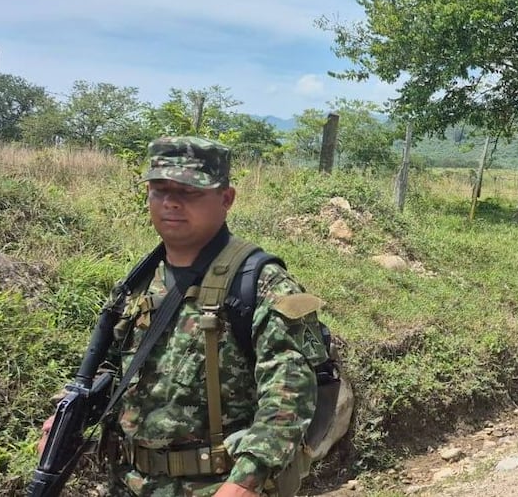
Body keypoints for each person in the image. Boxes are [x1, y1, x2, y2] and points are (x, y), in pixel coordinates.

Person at [38, 137, 329, 497]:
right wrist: (69, 417)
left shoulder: (261, 283)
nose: (171, 202)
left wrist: (246, 481)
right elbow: (113, 366)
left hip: (215, 485)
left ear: (226, 199)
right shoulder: (140, 281)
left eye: (189, 191)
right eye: (159, 190)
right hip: (128, 482)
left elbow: (289, 394)